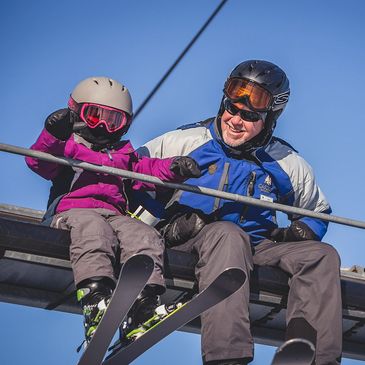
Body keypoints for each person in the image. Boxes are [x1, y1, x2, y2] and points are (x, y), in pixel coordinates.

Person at [133, 60, 342, 364]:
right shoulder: (186, 141)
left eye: (250, 115)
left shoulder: (284, 160)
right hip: (191, 239)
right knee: (227, 235)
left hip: (254, 247)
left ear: (270, 119)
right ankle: (227, 356)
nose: (235, 120)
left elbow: (318, 210)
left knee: (322, 255)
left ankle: (312, 355)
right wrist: (160, 226)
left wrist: (302, 231)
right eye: (231, 108)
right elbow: (131, 175)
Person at [25, 76, 201, 347]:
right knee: (95, 230)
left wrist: (175, 168)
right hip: (73, 213)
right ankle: (95, 298)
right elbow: (39, 162)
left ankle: (143, 306)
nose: (104, 126)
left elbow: (148, 171)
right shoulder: (68, 147)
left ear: (125, 124)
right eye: (95, 116)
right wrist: (53, 135)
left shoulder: (124, 156)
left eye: (114, 120)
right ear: (77, 113)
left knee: (144, 234)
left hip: (115, 215)